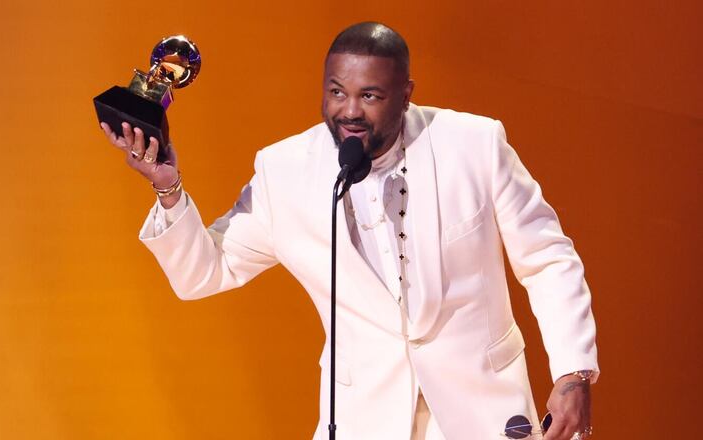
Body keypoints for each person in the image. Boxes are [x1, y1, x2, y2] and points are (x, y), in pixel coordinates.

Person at [100, 22, 599, 440]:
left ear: (406, 94)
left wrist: (573, 371)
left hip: (485, 415)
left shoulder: (475, 145)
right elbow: (203, 273)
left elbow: (548, 258)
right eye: (337, 92)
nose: (349, 111)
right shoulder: (286, 172)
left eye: (370, 95)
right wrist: (168, 187)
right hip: (363, 422)